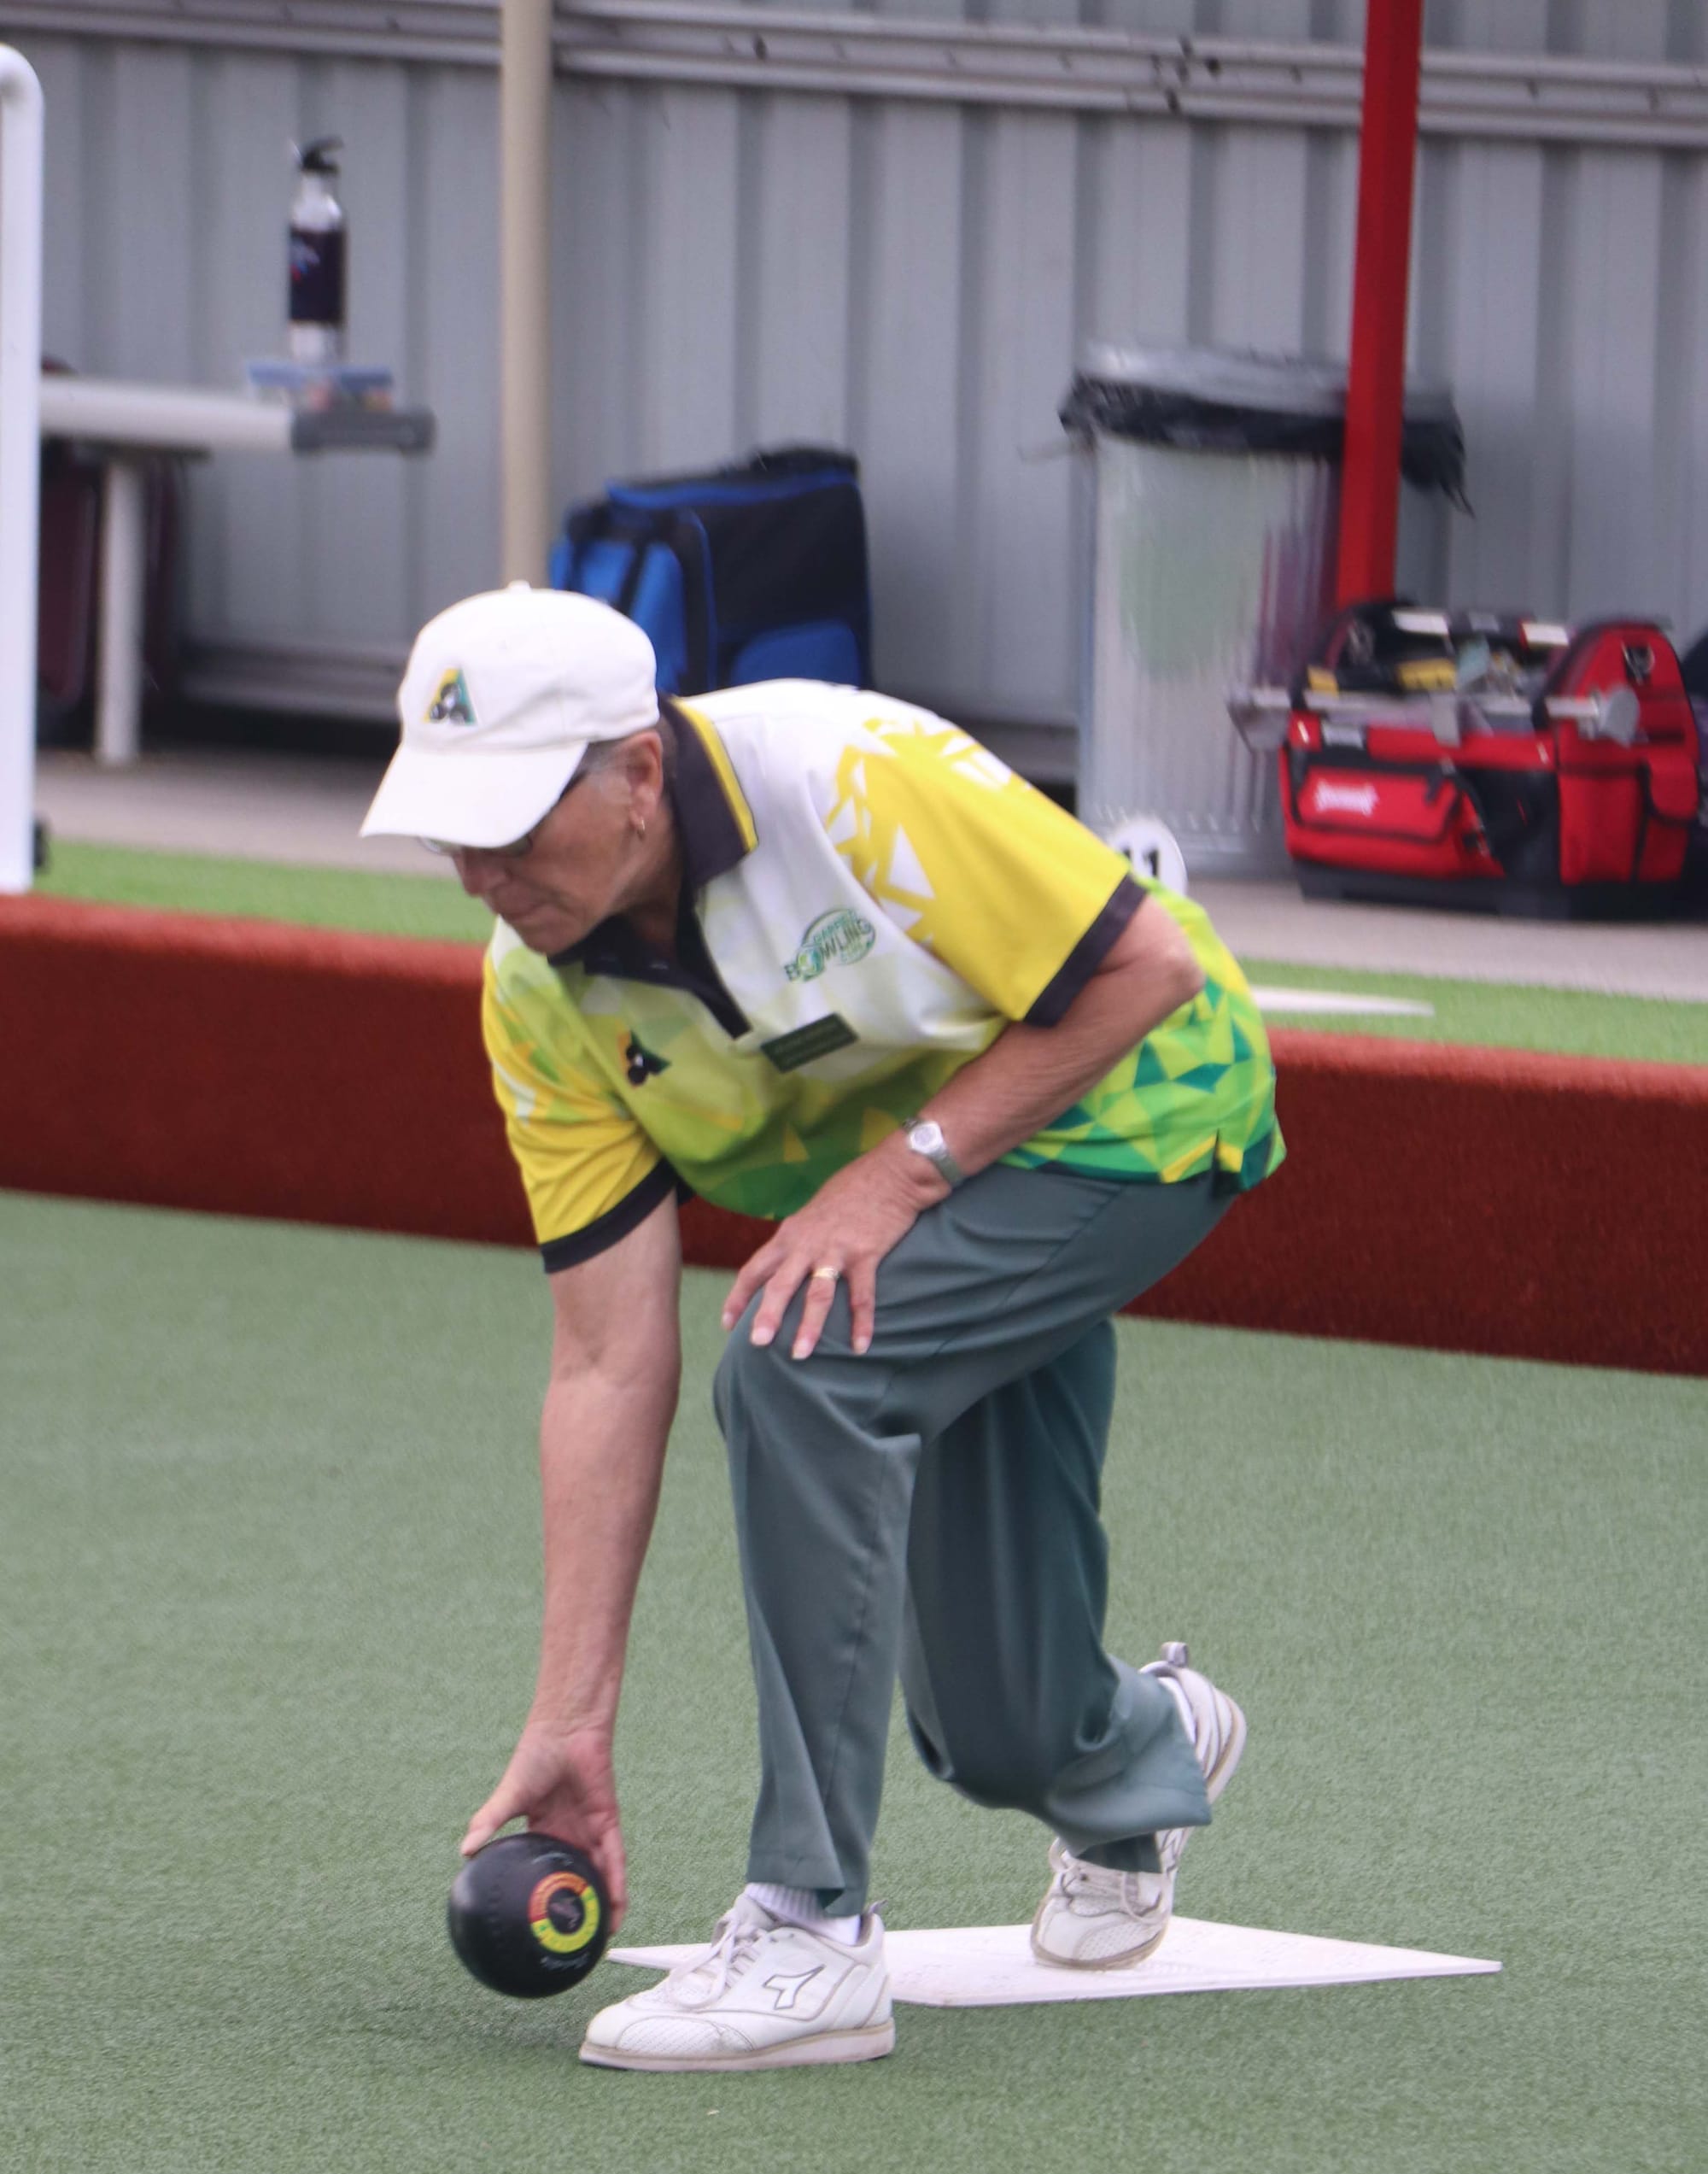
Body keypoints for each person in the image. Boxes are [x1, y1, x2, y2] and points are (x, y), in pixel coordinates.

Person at [362, 584, 1284, 2074]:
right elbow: (605, 1359)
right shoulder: (540, 996)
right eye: (448, 827)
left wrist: (897, 1174)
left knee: (801, 1355)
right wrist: (571, 1717)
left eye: (517, 820)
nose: (481, 869)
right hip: (948, 1185)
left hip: (1139, 1107)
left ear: (638, 773)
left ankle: (809, 1929)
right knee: (993, 1732)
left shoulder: (853, 783)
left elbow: (1146, 972)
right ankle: (1141, 1750)